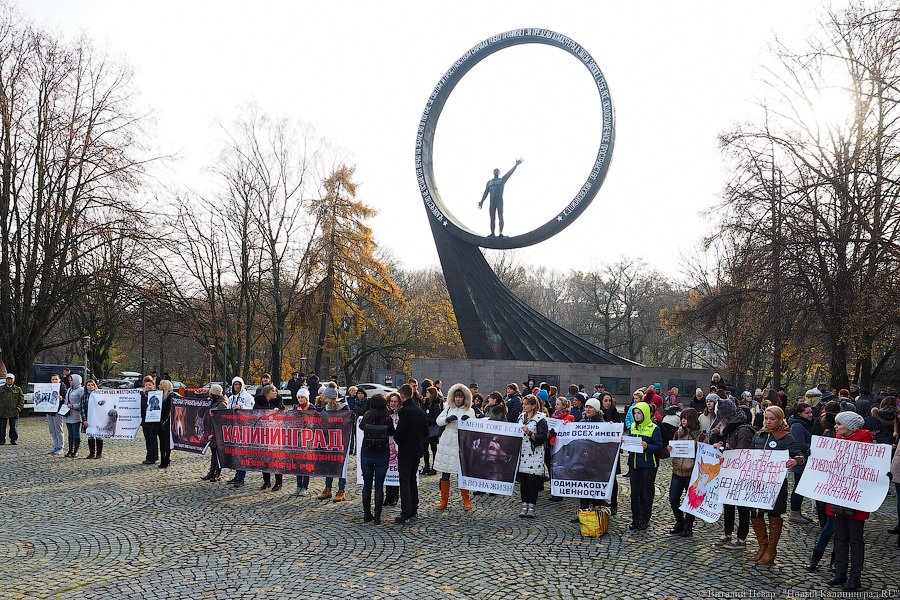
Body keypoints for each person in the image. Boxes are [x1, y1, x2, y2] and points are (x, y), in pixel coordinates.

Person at [749, 406, 805, 565]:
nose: (768, 421)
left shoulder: (786, 437)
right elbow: (749, 455)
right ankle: (762, 546)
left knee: (774, 514)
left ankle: (771, 549)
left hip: (776, 483)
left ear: (780, 420)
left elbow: (800, 456)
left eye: (772, 419)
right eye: (766, 418)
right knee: (755, 513)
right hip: (757, 482)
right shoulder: (758, 435)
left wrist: (795, 461)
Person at [827, 412, 874, 591]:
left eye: (839, 424)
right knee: (840, 537)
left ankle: (855, 577)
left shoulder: (866, 444)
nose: (835, 426)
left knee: (855, 539)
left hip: (855, 499)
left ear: (851, 427)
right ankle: (840, 573)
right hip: (837, 495)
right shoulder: (837, 441)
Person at [708, 399, 754, 550]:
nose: (720, 423)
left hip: (741, 475)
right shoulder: (731, 429)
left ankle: (741, 538)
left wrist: (726, 453)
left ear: (728, 417)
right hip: (730, 473)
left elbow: (742, 454)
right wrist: (720, 447)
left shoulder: (743, 430)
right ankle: (727, 533)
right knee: (728, 504)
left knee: (742, 507)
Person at [433, 384, 476, 511]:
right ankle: (444, 499)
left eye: (460, 397)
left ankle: (466, 500)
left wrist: (468, 421)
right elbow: (438, 420)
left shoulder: (470, 410)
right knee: (445, 473)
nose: (458, 399)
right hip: (448, 441)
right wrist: (447, 419)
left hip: (461, 441)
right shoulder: (447, 408)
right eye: (456, 397)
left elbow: (474, 426)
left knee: (462, 474)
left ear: (465, 398)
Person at [667, 408, 705, 537]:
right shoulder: (678, 433)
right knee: (673, 498)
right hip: (677, 471)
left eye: (686, 418)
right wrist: (669, 448)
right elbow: (673, 449)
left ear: (692, 419)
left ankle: (688, 525)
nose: (683, 420)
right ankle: (680, 521)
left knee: (691, 501)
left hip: (692, 473)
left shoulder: (701, 436)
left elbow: (704, 455)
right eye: (682, 418)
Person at [358, 393, 395, 525]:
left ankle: (366, 513)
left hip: (367, 453)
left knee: (367, 484)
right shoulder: (387, 417)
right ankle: (378, 517)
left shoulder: (367, 415)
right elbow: (392, 432)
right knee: (379, 485)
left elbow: (361, 427)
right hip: (382, 454)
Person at [393, 383, 426, 524]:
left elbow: (399, 434)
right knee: (412, 480)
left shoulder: (405, 412)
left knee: (405, 481)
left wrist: (397, 437)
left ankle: (406, 512)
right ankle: (414, 509)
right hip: (417, 450)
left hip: (406, 451)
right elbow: (425, 431)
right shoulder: (419, 410)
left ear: (401, 396)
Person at [627, 401, 662, 530]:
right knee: (634, 493)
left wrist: (648, 447)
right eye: (635, 413)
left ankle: (645, 519)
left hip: (648, 465)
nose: (636, 415)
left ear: (645, 414)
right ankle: (635, 519)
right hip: (634, 464)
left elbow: (658, 447)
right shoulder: (632, 427)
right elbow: (630, 443)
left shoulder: (654, 428)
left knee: (646, 493)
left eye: (639, 413)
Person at [517, 394, 548, 518]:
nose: (524, 406)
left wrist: (529, 432)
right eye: (523, 404)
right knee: (523, 482)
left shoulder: (540, 419)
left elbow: (542, 438)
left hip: (535, 455)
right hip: (522, 454)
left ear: (533, 405)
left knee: (532, 483)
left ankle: (531, 507)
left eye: (526, 404)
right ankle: (524, 505)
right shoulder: (521, 417)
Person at [477, 158, 523, 237]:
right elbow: (485, 193)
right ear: (493, 172)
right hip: (492, 201)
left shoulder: (502, 180)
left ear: (499, 172)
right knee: (492, 217)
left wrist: (516, 165)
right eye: (495, 170)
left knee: (500, 215)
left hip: (499, 200)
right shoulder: (489, 182)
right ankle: (492, 233)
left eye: (497, 171)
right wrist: (481, 202)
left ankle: (501, 232)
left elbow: (509, 173)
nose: (496, 171)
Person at [319, 384, 349, 501]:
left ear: (331, 398)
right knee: (329, 464)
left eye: (326, 398)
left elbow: (347, 421)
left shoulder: (344, 408)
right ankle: (328, 489)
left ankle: (341, 490)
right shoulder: (326, 408)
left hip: (342, 440)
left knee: (342, 465)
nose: (324, 400)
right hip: (329, 440)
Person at [226, 376, 255, 487]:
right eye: (235, 384)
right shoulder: (230, 398)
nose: (237, 386)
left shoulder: (248, 397)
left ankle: (241, 477)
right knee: (235, 454)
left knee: (242, 453)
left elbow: (252, 410)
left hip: (244, 428)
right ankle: (237, 475)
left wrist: (241, 407)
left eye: (239, 384)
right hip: (233, 428)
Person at [788, 402, 814, 524]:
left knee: (801, 487)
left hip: (805, 460)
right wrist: (816, 446)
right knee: (798, 487)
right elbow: (800, 444)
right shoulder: (797, 426)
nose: (810, 415)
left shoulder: (805, 424)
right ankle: (794, 512)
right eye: (807, 413)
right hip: (800, 461)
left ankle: (797, 512)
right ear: (799, 414)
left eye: (811, 412)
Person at [255, 384, 284, 491]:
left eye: (276, 391)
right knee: (264, 458)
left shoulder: (279, 402)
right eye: (273, 391)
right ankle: (266, 481)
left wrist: (278, 411)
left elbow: (284, 414)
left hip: (275, 434)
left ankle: (278, 482)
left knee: (276, 458)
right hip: (263, 433)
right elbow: (254, 414)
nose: (275, 393)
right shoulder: (259, 402)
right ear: (267, 393)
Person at [200, 384, 228, 482]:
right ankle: (211, 472)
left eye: (211, 393)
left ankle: (217, 473)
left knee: (218, 454)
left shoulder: (222, 404)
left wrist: (213, 433)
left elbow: (219, 421)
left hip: (217, 433)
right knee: (213, 453)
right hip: (211, 431)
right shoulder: (214, 402)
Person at [293, 387, 313, 496]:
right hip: (298, 438)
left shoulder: (312, 408)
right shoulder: (296, 408)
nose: (300, 399)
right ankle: (298, 485)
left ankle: (305, 487)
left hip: (309, 439)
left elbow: (315, 422)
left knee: (306, 463)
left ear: (306, 398)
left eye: (302, 397)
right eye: (299, 397)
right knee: (298, 463)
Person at [384, 392, 403, 507]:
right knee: (388, 471)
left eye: (395, 401)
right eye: (391, 401)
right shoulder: (386, 414)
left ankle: (395, 496)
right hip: (388, 445)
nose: (393, 404)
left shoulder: (402, 413)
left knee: (396, 472)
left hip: (399, 445)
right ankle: (388, 496)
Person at [421, 385, 442, 476]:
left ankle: (434, 467)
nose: (426, 394)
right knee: (425, 449)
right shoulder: (425, 403)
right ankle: (426, 466)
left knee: (434, 449)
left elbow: (436, 419)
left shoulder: (436, 405)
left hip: (432, 430)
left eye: (428, 392)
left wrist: (426, 419)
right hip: (425, 429)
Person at [61, 374, 85, 457]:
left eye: (72, 380)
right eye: (69, 380)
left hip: (76, 415)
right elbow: (66, 401)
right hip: (68, 414)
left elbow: (83, 403)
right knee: (70, 433)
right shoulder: (69, 389)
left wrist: (73, 406)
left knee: (75, 433)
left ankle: (76, 450)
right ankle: (70, 450)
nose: (70, 381)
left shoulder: (81, 390)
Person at [0, 373, 25, 445]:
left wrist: (18, 409)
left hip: (14, 411)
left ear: (13, 380)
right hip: (2, 411)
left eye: (10, 379)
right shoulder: (1, 389)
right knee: (1, 428)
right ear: (6, 380)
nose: (9, 380)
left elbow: (21, 400)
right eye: (8, 379)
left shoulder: (18, 389)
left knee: (14, 427)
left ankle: (14, 440)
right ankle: (1, 440)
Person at [139, 376, 159, 465]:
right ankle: (149, 456)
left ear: (153, 386)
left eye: (150, 385)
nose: (148, 386)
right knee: (147, 439)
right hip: (145, 420)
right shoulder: (143, 394)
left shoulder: (156, 395)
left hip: (153, 421)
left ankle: (152, 457)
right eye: (146, 385)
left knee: (152, 439)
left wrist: (143, 395)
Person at [82, 379, 104, 459]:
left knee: (99, 436)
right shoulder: (84, 397)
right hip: (89, 419)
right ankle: (92, 453)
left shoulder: (99, 396)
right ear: (86, 387)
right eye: (88, 385)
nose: (90, 386)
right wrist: (84, 420)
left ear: (95, 386)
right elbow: (82, 409)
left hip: (98, 419)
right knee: (90, 436)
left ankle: (99, 453)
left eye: (92, 385)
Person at [47, 374, 66, 455]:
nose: (54, 381)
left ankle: (60, 447)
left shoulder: (62, 387)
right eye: (53, 379)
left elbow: (66, 398)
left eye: (56, 379)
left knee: (58, 429)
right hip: (49, 411)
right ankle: (55, 446)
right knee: (52, 430)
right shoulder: (48, 387)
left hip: (58, 411)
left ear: (59, 380)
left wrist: (62, 398)